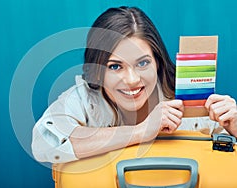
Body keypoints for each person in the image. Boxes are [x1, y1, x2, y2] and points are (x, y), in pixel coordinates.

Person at [31, 6, 237, 164]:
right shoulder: (84, 99)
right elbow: (43, 144)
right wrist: (140, 132)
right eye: (115, 66)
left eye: (142, 63)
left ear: (158, 61)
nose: (131, 80)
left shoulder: (188, 97)